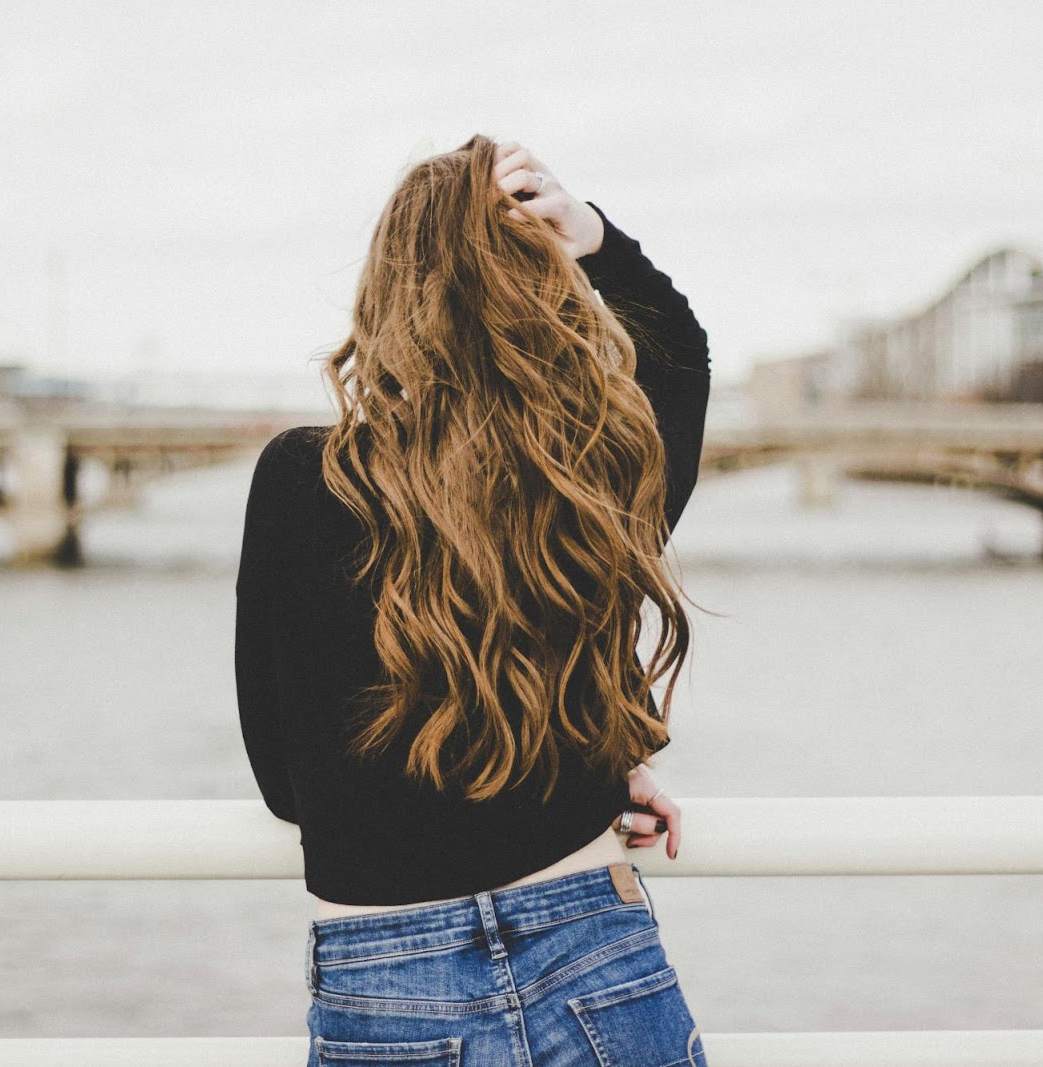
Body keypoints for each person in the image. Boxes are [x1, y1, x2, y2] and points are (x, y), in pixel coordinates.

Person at [234, 134, 712, 1066]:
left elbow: (284, 779)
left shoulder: (300, 479)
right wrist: (591, 233)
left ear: (390, 295)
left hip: (385, 977)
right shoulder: (587, 481)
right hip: (594, 942)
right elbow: (679, 355)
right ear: (546, 290)